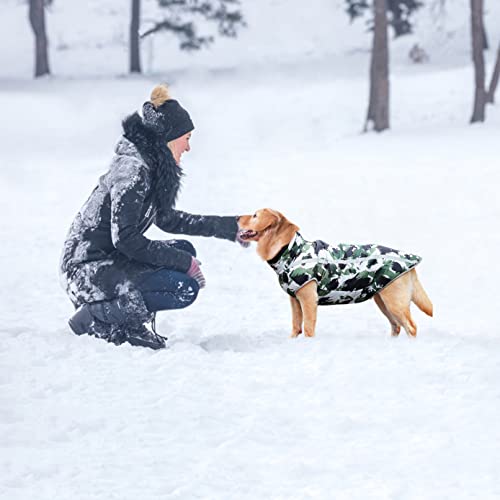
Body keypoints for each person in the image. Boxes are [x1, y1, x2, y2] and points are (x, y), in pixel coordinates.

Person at [60, 84, 246, 350]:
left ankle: (120, 312)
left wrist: (231, 226)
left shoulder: (150, 169)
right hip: (84, 271)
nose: (188, 147)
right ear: (170, 138)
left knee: (184, 250)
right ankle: (97, 318)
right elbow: (125, 239)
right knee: (183, 287)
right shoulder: (133, 171)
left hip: (108, 259)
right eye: (187, 138)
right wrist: (184, 263)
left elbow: (168, 220)